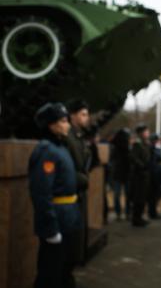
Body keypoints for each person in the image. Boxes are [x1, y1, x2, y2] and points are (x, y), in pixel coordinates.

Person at [29, 103, 81, 288]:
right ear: (51, 125)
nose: (68, 125)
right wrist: (50, 228)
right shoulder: (46, 150)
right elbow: (41, 193)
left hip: (68, 217)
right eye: (63, 121)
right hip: (57, 219)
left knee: (65, 267)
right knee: (50, 272)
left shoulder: (61, 148)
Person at [65, 98, 91, 263]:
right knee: (70, 241)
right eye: (83, 114)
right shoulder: (68, 137)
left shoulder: (79, 136)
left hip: (79, 193)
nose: (86, 118)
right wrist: (82, 179)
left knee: (77, 238)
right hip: (71, 195)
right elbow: (67, 167)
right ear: (72, 116)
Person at [129, 123, 152, 227]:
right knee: (138, 198)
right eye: (146, 131)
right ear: (141, 133)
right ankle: (136, 219)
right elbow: (133, 158)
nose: (148, 133)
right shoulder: (137, 144)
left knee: (143, 198)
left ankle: (139, 217)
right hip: (139, 175)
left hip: (145, 174)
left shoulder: (145, 143)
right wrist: (142, 166)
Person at [110, 128, 131, 220]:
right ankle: (127, 213)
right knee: (126, 195)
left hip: (118, 173)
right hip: (124, 173)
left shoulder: (114, 146)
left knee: (118, 195)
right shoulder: (126, 148)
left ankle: (119, 213)